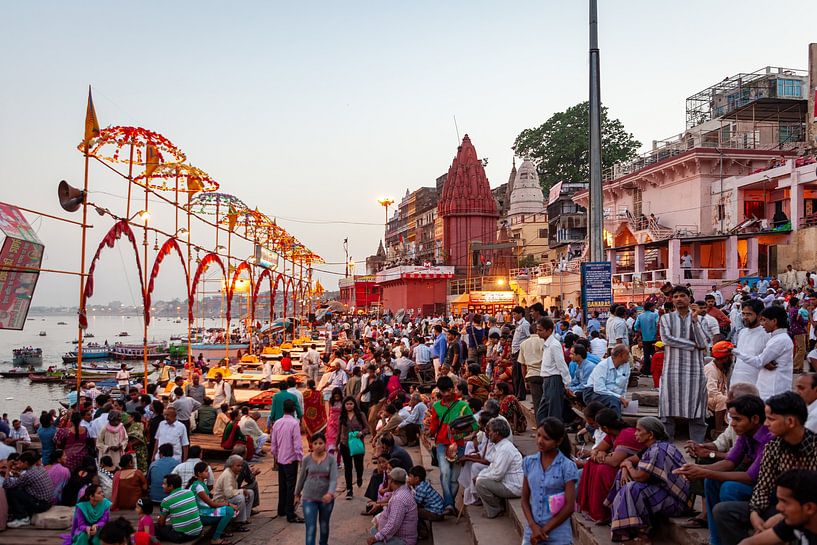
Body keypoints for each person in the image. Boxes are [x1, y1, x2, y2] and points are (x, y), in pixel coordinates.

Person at [713, 392, 817, 545]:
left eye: (771, 419)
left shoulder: (814, 448)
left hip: (807, 511)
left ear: (790, 421)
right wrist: (754, 513)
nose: (766, 424)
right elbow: (763, 486)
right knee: (723, 511)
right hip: (780, 505)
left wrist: (781, 517)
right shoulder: (773, 447)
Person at [674, 395, 771, 545]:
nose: (732, 424)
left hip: (768, 491)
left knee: (730, 488)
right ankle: (716, 540)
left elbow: (750, 477)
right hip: (753, 483)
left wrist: (704, 471)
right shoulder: (746, 434)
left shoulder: (768, 439)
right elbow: (729, 462)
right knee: (711, 481)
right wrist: (697, 468)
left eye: (737, 419)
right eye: (732, 419)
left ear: (755, 419)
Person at [604, 417, 691, 542]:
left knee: (632, 488)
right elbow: (628, 460)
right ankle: (626, 524)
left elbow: (640, 477)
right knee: (621, 477)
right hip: (663, 492)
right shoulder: (651, 447)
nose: (635, 433)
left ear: (650, 434)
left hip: (675, 500)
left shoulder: (657, 450)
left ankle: (633, 529)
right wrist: (624, 469)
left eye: (639, 430)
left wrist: (628, 467)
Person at [659, 285, 710, 443]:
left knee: (697, 409)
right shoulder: (666, 318)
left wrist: (694, 321)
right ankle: (666, 446)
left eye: (682, 296)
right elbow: (666, 339)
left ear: (689, 299)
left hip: (694, 370)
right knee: (667, 409)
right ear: (672, 300)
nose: (679, 299)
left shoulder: (701, 319)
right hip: (671, 370)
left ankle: (697, 446)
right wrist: (691, 345)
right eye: (675, 297)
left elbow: (703, 344)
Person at [576, 409, 642, 523]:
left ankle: (603, 513)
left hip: (631, 470)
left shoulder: (625, 434)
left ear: (605, 428)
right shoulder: (611, 434)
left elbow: (614, 462)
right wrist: (600, 453)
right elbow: (596, 450)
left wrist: (600, 456)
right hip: (619, 466)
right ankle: (594, 509)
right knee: (592, 465)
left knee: (602, 469)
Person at [521, 417, 578, 545]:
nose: (540, 441)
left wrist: (544, 530)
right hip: (533, 528)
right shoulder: (529, 462)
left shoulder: (567, 466)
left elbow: (569, 506)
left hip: (559, 531)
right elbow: (524, 499)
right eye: (539, 435)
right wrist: (533, 527)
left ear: (558, 441)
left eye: (546, 438)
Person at [426, 375, 476, 513]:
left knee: (454, 477)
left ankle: (449, 504)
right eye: (444, 391)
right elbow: (434, 426)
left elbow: (474, 425)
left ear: (452, 389)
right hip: (442, 443)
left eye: (449, 390)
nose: (447, 394)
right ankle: (449, 504)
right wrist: (429, 432)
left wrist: (459, 432)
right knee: (445, 472)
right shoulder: (436, 406)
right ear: (440, 391)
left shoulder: (463, 406)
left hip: (458, 444)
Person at [736, 469, 817, 545]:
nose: (778, 507)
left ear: (809, 508)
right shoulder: (797, 521)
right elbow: (748, 542)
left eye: (785, 502)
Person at [732, 306, 793, 401]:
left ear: (774, 321)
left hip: (773, 387)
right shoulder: (776, 338)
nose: (762, 324)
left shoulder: (780, 340)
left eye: (764, 320)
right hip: (767, 385)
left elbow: (759, 361)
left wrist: (735, 351)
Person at [475, 418, 524, 519]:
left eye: (490, 432)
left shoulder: (505, 449)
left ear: (497, 433)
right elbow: (492, 466)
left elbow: (497, 474)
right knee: (480, 478)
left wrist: (480, 477)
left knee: (480, 483)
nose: (488, 434)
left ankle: (495, 510)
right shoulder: (500, 446)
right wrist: (481, 475)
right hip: (507, 483)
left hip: (514, 487)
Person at [295, 432, 338, 545]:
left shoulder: (331, 460)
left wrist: (330, 493)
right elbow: (301, 477)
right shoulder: (306, 460)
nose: (318, 445)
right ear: (311, 445)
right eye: (315, 443)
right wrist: (297, 494)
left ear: (325, 444)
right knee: (311, 528)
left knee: (324, 525)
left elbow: (333, 479)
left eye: (321, 443)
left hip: (326, 499)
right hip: (309, 497)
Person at [270, 399, 304, 522]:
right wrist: (300, 458)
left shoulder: (277, 423)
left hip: (281, 459)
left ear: (283, 409)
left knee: (282, 485)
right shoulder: (294, 423)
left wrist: (276, 455)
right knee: (291, 487)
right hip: (291, 459)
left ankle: (281, 509)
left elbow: (273, 443)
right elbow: (297, 444)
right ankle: (290, 513)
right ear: (294, 409)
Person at [366, 468, 418, 545]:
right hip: (395, 534)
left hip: (402, 540)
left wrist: (376, 538)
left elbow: (393, 524)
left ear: (392, 481)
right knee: (373, 530)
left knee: (375, 542)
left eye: (389, 479)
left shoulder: (399, 499)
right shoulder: (402, 490)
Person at [3, 449, 55, 527]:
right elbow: (27, 480)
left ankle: (22, 518)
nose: (18, 465)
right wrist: (18, 474)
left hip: (41, 505)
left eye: (20, 463)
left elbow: (7, 485)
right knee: (19, 489)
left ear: (26, 463)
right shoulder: (39, 468)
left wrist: (7, 468)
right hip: (48, 502)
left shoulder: (27, 475)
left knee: (11, 492)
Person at [188, 461, 235, 545]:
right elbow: (212, 504)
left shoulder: (200, 484)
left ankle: (220, 532)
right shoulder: (198, 487)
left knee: (228, 510)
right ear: (199, 473)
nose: (208, 473)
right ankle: (215, 538)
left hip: (204, 512)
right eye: (206, 471)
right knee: (229, 511)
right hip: (200, 515)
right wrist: (227, 504)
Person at [536, 317, 571, 424]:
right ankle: (544, 432)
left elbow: (561, 365)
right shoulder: (547, 344)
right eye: (537, 330)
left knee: (554, 412)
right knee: (541, 412)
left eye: (540, 330)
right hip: (547, 380)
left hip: (554, 380)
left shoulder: (554, 345)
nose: (538, 333)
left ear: (549, 330)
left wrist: (567, 383)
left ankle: (555, 437)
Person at [730, 299, 767, 388]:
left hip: (755, 385)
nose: (745, 317)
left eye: (749, 314)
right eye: (743, 314)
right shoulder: (742, 332)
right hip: (736, 381)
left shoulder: (766, 334)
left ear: (759, 315)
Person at [585, 344, 631, 416]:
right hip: (593, 392)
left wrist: (623, 398)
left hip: (611, 393)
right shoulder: (602, 366)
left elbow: (624, 386)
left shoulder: (626, 365)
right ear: (620, 355)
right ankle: (615, 424)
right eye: (627, 354)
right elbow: (599, 389)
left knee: (616, 401)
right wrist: (619, 397)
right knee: (613, 401)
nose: (629, 356)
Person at [337, 395, 369, 499]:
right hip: (345, 444)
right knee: (348, 467)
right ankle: (349, 489)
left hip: (357, 444)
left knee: (358, 465)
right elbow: (339, 431)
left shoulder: (360, 415)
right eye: (347, 404)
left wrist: (361, 433)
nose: (349, 406)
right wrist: (336, 444)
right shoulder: (342, 416)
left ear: (354, 404)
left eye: (351, 404)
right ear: (344, 405)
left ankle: (359, 477)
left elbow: (367, 428)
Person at [156, 474, 203, 543]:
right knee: (170, 527)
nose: (162, 486)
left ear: (171, 486)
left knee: (156, 527)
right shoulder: (190, 492)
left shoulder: (167, 501)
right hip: (198, 531)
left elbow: (161, 523)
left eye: (164, 484)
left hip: (182, 536)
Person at [213, 455, 254, 528]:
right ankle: (238, 522)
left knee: (250, 493)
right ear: (231, 465)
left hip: (228, 496)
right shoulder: (227, 474)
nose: (240, 468)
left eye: (241, 466)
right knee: (240, 498)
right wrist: (241, 491)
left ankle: (245, 518)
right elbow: (229, 493)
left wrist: (242, 491)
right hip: (221, 499)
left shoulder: (233, 473)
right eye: (238, 466)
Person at [705, 341, 734, 434]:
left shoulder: (722, 368)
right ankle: (718, 431)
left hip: (714, 399)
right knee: (723, 399)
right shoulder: (711, 369)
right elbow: (711, 392)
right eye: (730, 357)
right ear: (724, 359)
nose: (732, 359)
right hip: (706, 399)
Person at [519, 322, 545, 415]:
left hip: (532, 375)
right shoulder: (545, 341)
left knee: (537, 403)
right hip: (545, 374)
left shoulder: (523, 344)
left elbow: (522, 365)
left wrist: (525, 380)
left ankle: (540, 425)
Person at [511, 306, 531, 401]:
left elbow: (529, 337)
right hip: (515, 351)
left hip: (520, 351)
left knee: (519, 374)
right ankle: (516, 393)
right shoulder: (518, 325)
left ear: (520, 314)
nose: (513, 316)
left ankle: (520, 394)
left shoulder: (525, 324)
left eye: (515, 314)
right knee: (515, 374)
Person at [634, 301, 659, 376]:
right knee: (655, 355)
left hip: (645, 339)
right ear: (650, 307)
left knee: (646, 355)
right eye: (653, 307)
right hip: (654, 338)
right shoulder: (655, 315)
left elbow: (635, 327)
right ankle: (654, 370)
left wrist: (641, 331)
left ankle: (646, 371)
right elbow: (658, 324)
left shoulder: (640, 316)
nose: (654, 308)